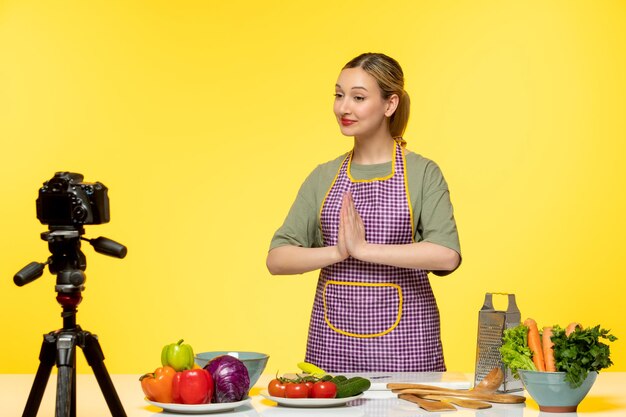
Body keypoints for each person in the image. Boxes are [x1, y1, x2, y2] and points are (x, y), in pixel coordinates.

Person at [266, 52, 461, 372]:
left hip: (407, 350)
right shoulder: (323, 176)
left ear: (390, 104)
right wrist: (339, 251)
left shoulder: (423, 173)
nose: (344, 107)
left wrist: (364, 249)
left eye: (358, 97)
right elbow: (277, 258)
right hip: (332, 350)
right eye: (339, 95)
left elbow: (446, 254)